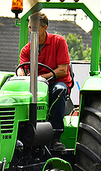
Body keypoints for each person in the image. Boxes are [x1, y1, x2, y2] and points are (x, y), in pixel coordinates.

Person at [18, 12, 72, 150]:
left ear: (45, 27)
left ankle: (56, 136)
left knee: (59, 91)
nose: (31, 31)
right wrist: (22, 76)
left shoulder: (59, 42)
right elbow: (22, 69)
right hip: (35, 83)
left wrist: (42, 78)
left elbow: (62, 70)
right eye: (30, 28)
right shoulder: (26, 50)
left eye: (34, 28)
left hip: (56, 81)